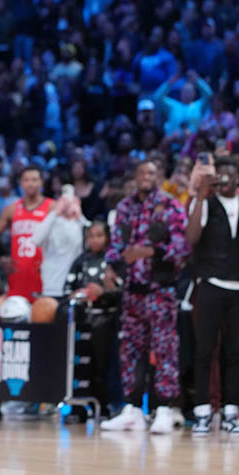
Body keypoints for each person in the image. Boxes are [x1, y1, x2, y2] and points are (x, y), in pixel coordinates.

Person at [101, 160, 190, 434]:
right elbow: (116, 246)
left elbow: (181, 246)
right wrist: (110, 267)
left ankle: (164, 407)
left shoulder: (171, 205)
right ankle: (133, 410)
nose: (146, 177)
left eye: (151, 173)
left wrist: (151, 252)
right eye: (142, 172)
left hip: (160, 288)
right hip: (132, 291)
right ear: (136, 176)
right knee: (130, 351)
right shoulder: (125, 208)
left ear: (159, 176)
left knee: (164, 349)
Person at [186, 155, 239, 435]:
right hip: (210, 284)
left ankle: (232, 411)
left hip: (237, 288)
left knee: (235, 352)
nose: (227, 177)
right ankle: (202, 411)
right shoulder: (206, 203)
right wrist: (200, 196)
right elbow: (191, 237)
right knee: (205, 350)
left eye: (232, 172)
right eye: (222, 172)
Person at [64, 221, 121, 415]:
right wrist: (79, 293)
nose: (94, 240)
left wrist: (103, 292)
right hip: (81, 320)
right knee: (78, 365)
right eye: (91, 236)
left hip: (106, 320)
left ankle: (105, 405)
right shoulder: (81, 260)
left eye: (99, 235)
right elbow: (68, 289)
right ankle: (78, 407)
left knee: (102, 365)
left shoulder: (113, 260)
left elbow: (122, 291)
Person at [0, 166, 53, 302]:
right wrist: (1, 258)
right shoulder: (11, 209)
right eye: (26, 180)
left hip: (43, 275)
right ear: (21, 184)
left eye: (34, 179)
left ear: (41, 183)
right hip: (17, 277)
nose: (31, 183)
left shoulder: (52, 207)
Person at [30, 186, 88, 299]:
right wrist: (55, 212)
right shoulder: (50, 222)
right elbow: (36, 240)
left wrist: (80, 215)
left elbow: (94, 242)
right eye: (63, 200)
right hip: (52, 286)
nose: (66, 204)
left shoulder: (79, 224)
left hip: (75, 286)